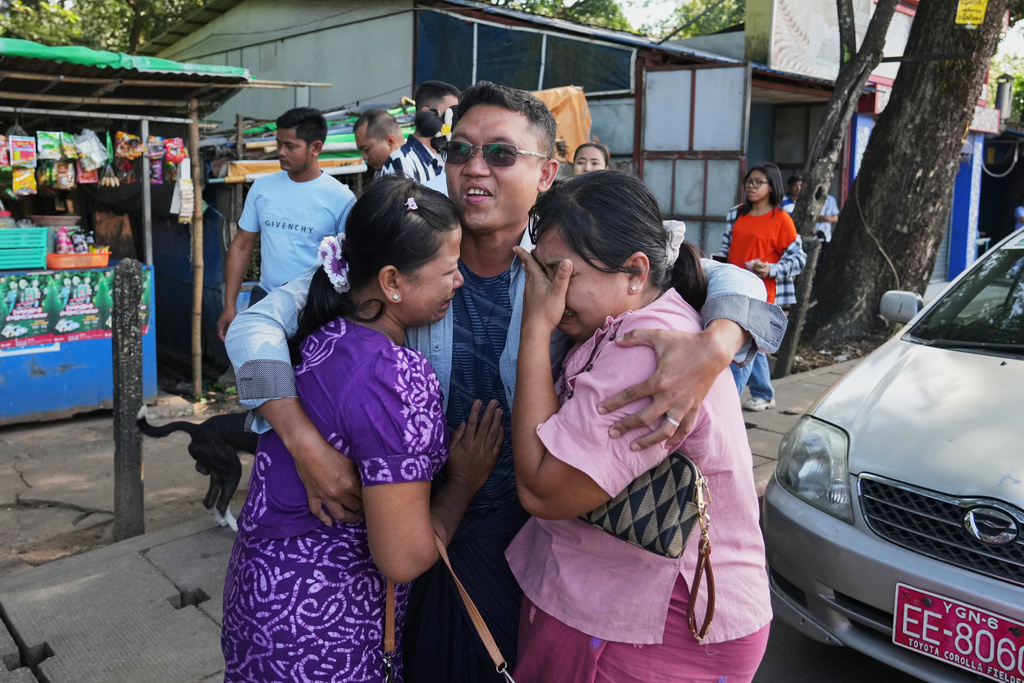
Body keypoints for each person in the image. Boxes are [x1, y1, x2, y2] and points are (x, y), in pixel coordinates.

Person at [226, 81, 786, 682]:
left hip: (525, 541)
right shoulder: (408, 259)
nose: (475, 169)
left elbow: (728, 277)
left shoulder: (568, 258)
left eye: (500, 154)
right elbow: (255, 325)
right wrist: (301, 440)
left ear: (547, 173)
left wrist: (717, 344)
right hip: (407, 526)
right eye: (460, 151)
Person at [221, 175, 503, 682]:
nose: (459, 281)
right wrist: (463, 481)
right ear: (392, 282)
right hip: (323, 629)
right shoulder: (397, 376)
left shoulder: (318, 330)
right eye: (448, 270)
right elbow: (402, 558)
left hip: (259, 602)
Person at [508, 170, 771, 683]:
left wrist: (535, 330)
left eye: (562, 275)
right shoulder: (642, 312)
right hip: (623, 601)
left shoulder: (646, 349)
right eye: (539, 275)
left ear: (635, 271)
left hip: (654, 622)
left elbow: (542, 490)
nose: (549, 295)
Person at [216, 107, 356, 341]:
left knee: (307, 374)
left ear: (316, 148)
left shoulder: (341, 198)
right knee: (262, 373)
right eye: (278, 143)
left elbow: (349, 261)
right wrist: (229, 305)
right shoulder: (262, 188)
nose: (280, 152)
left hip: (314, 306)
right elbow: (241, 246)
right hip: (265, 299)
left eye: (290, 146)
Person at [719, 163, 804, 411]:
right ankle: (764, 394)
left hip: (763, 293)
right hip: (733, 287)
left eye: (758, 182)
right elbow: (726, 249)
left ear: (771, 186)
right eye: (749, 181)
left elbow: (798, 259)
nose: (751, 186)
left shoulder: (781, 220)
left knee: (744, 345)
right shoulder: (736, 214)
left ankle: (728, 403)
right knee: (753, 344)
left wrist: (771, 269)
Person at [380, 80, 461, 186]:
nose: (455, 122)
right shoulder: (401, 162)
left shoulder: (443, 160)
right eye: (450, 113)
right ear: (427, 113)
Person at [354, 107, 404, 175]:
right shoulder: (382, 170)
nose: (364, 157)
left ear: (390, 142)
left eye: (366, 149)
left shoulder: (403, 170)